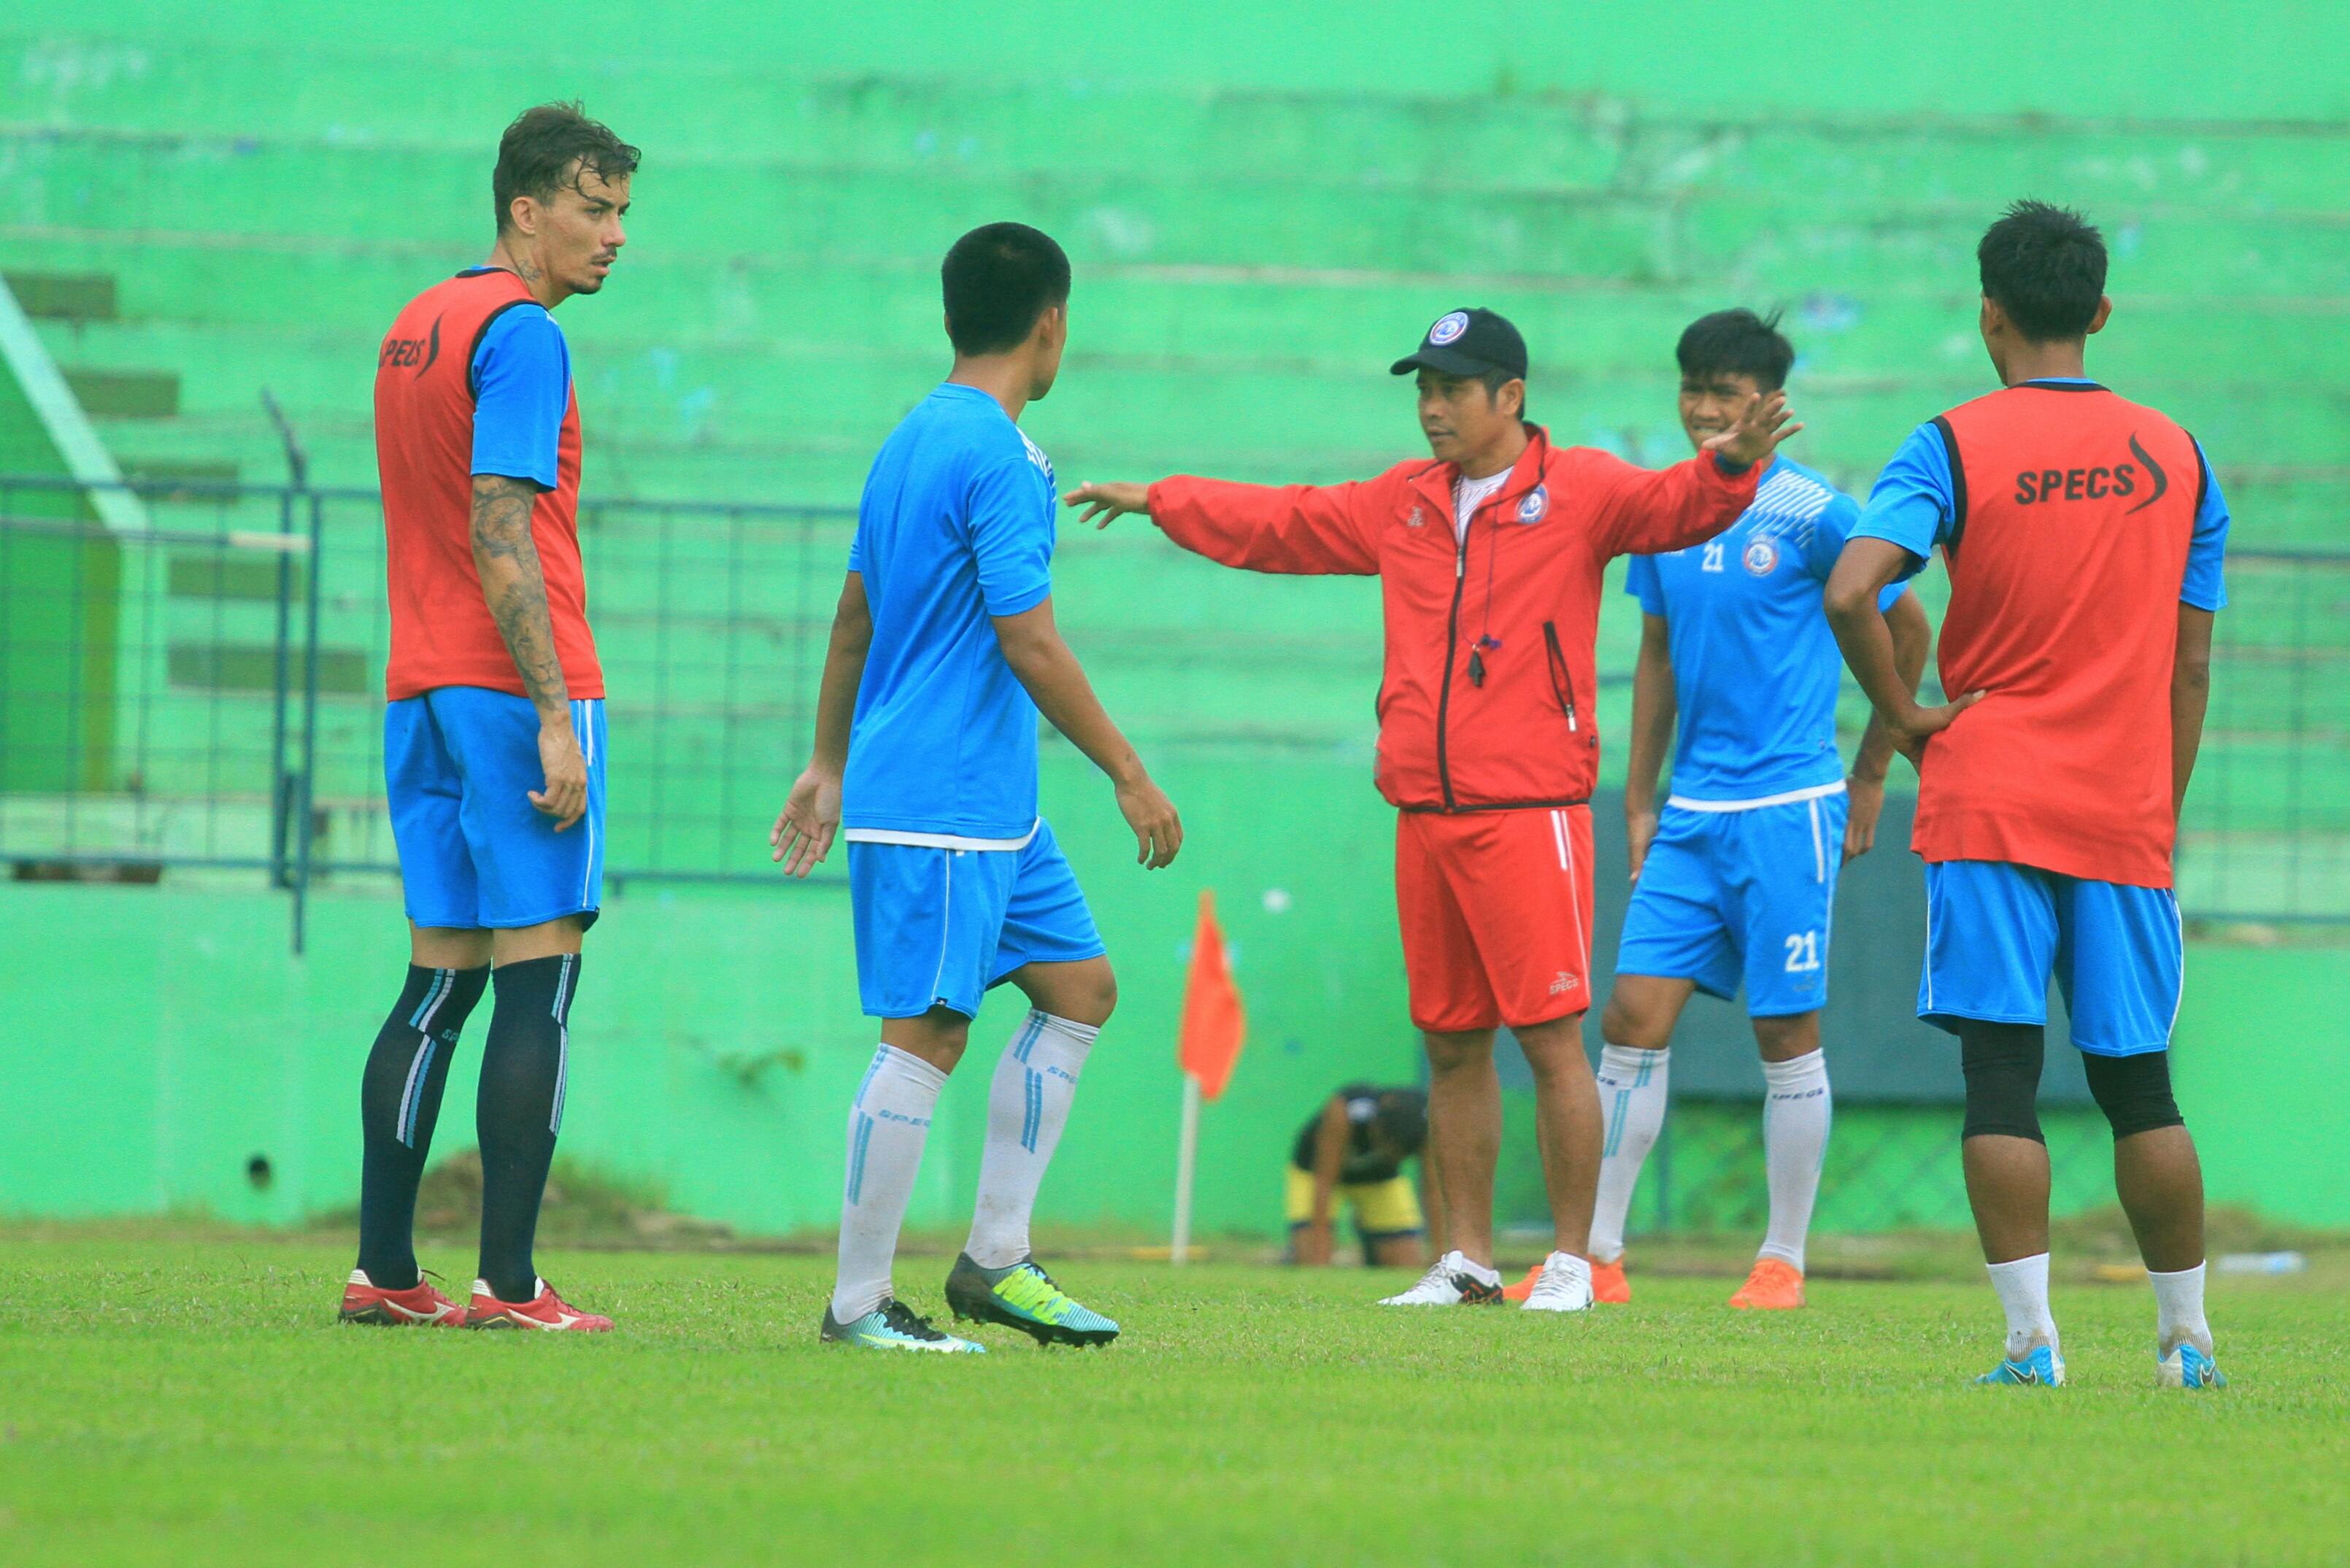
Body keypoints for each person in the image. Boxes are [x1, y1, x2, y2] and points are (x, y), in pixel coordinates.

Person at [1066, 308, 1798, 1313]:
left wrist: (1731, 468)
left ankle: (1577, 1264)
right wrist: (1164, 501)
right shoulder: (1404, 502)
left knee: (1548, 1040)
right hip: (1424, 809)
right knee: (1452, 1043)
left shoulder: (1580, 489)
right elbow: (1282, 523)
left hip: (1529, 807)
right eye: (1423, 389)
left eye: (1453, 389)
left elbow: (1680, 508)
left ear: (1512, 397)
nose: (1432, 408)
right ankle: (1469, 1262)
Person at [1825, 201, 2230, 1389]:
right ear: (2099, 311)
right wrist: (2154, 803)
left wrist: (1899, 716)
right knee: (2140, 1081)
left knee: (2000, 1074)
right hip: (2124, 811)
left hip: (1990, 800)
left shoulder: (1948, 443)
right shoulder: (2180, 452)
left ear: (1987, 312)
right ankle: (2186, 1344)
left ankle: (2030, 1344)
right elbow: (2191, 661)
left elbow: (1855, 589)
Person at [772, 223, 1183, 1354]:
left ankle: (997, 1258)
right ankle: (857, 1304)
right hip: (945, 799)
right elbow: (1031, 643)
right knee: (932, 1030)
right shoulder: (1002, 457)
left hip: (992, 805)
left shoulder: (908, 439)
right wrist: (1130, 772)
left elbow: (856, 617)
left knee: (1081, 989)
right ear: (1051, 325)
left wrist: (825, 759)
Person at [343, 104, 636, 1332]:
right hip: (513, 684)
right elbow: (500, 523)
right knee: (539, 984)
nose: (614, 235)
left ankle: (384, 1268)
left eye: (623, 211)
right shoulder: (523, 335)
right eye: (593, 207)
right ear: (526, 208)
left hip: (419, 680)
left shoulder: (418, 324)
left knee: (435, 982)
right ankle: (510, 1284)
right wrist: (555, 715)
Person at [1587, 310, 1932, 1311]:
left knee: (1785, 1034)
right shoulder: (1666, 510)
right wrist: (1641, 800)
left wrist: (1873, 771)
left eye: (1726, 391)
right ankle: (1596, 1257)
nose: (1703, 407)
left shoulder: (1814, 511)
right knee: (1631, 1016)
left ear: (1772, 405)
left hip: (1788, 808)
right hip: (1689, 814)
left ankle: (1782, 1259)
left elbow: (1905, 630)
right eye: (1692, 387)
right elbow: (1655, 659)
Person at [1288, 1085, 1436, 1267]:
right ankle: (1291, 1255)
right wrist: (1319, 1261)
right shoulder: (1346, 1110)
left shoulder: (1427, 1125)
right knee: (1308, 1257)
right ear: (1377, 1125)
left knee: (1405, 1264)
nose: (1386, 1154)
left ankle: (1370, 1246)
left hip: (1379, 1181)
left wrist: (1441, 1255)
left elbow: (1433, 1191)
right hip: (1315, 1174)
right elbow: (1324, 1182)